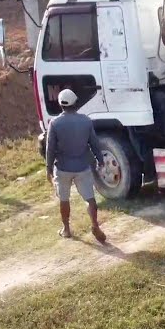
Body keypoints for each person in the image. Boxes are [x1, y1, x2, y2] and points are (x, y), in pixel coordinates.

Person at [45, 88, 107, 243]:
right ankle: (94, 225)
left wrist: (48, 169)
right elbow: (94, 143)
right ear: (76, 103)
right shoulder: (86, 121)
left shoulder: (55, 123)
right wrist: (100, 159)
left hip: (63, 168)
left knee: (64, 199)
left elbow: (50, 148)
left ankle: (66, 229)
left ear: (61, 105)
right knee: (90, 198)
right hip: (82, 167)